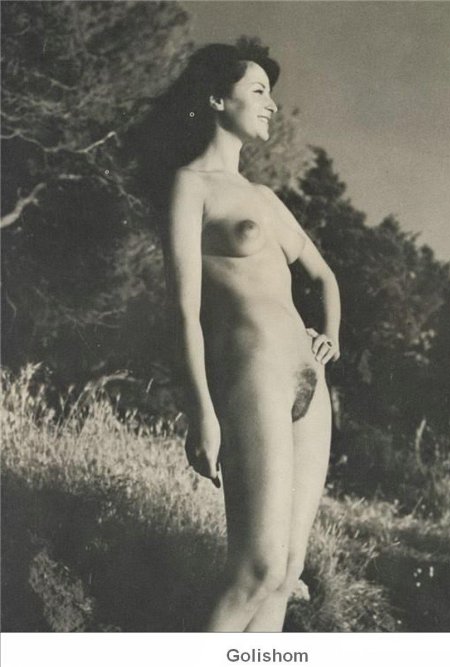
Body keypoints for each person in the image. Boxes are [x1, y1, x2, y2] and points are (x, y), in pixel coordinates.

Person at [143, 39, 341, 632]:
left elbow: (324, 277)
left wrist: (329, 336)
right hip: (253, 375)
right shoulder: (190, 186)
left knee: (285, 575)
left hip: (310, 381)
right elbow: (184, 309)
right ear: (215, 99)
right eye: (258, 91)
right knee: (256, 569)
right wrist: (200, 411)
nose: (272, 105)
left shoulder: (267, 199)